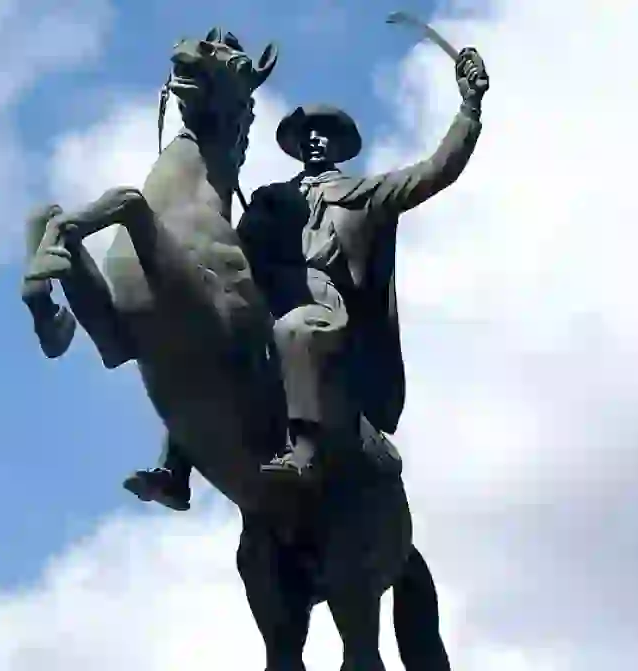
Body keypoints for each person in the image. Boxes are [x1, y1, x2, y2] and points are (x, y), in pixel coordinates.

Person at [123, 47, 490, 508]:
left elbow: (436, 171)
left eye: (325, 135)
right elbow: (238, 246)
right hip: (265, 292)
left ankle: (305, 450)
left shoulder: (364, 194)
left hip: (318, 300)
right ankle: (176, 469)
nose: (315, 141)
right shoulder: (272, 196)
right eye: (307, 135)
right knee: (209, 332)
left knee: (292, 329)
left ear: (341, 146)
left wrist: (469, 108)